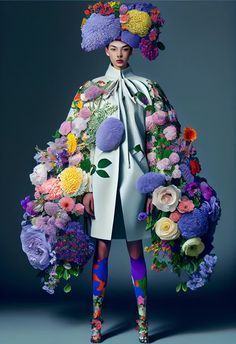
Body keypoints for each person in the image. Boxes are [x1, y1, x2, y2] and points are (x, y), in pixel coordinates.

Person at [82, 40, 153, 343]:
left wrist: (154, 189)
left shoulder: (147, 89)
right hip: (101, 179)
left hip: (136, 178)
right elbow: (81, 141)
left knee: (136, 248)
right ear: (105, 51)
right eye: (114, 48)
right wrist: (86, 187)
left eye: (125, 48)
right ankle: (96, 324)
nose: (120, 54)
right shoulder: (92, 89)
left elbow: (157, 140)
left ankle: (143, 324)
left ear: (132, 51)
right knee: (101, 249)